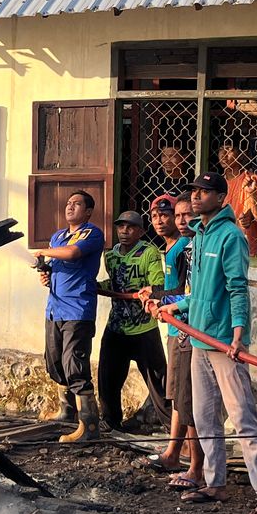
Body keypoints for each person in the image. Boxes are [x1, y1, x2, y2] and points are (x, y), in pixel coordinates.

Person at [151, 172, 257, 514]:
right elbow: (200, 292)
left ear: (221, 197)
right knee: (205, 416)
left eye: (205, 191)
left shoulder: (231, 236)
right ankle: (214, 482)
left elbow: (237, 287)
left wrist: (238, 334)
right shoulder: (199, 235)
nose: (196, 196)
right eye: (194, 190)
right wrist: (176, 307)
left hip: (223, 342)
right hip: (199, 338)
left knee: (242, 418)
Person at [31, 190, 106, 443]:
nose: (70, 207)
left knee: (75, 364)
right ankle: (66, 411)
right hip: (54, 309)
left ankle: (89, 426)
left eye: (77, 204)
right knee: (55, 361)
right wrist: (45, 273)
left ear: (88, 212)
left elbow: (73, 253)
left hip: (77, 310)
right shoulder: (58, 236)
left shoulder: (92, 233)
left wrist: (44, 252)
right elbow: (55, 265)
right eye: (68, 203)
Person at [142, 196, 204, 488]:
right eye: (177, 215)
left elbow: (187, 292)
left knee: (187, 397)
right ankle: (175, 452)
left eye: (184, 215)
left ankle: (193, 464)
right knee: (180, 394)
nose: (180, 221)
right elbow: (177, 288)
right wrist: (156, 294)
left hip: (189, 328)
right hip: (176, 327)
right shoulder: (176, 247)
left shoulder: (189, 247)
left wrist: (160, 299)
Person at [96, 210, 169, 432]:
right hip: (116, 326)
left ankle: (171, 424)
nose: (124, 231)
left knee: (158, 381)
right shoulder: (110, 256)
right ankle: (110, 421)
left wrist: (150, 292)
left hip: (144, 328)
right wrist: (96, 287)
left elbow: (157, 282)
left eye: (130, 227)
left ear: (141, 231)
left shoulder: (149, 253)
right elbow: (115, 283)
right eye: (121, 227)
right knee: (108, 378)